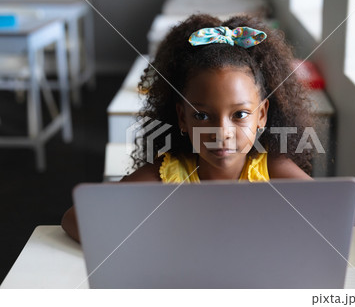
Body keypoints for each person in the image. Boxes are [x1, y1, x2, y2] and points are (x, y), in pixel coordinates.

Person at [62, 14, 314, 242]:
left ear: (261, 115)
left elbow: (326, 215)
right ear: (182, 117)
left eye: (239, 114)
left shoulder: (272, 169)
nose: (221, 132)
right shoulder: (166, 175)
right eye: (202, 115)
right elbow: (75, 218)